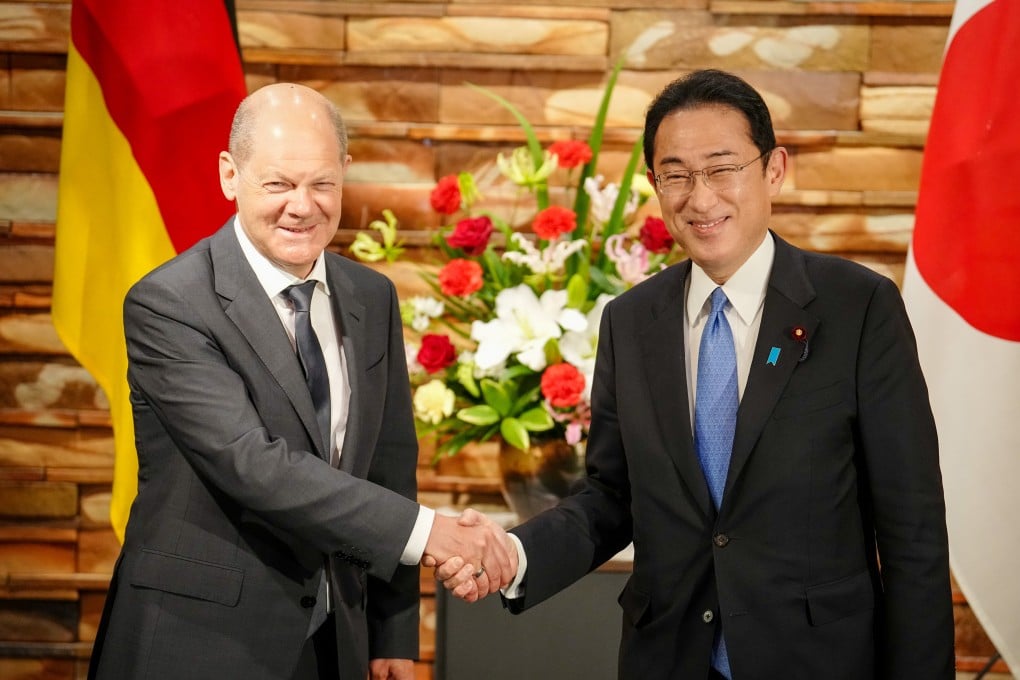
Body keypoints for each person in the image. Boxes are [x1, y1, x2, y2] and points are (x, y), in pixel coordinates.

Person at [438, 69, 955, 679]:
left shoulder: (857, 307)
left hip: (816, 660)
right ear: (655, 185)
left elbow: (912, 528)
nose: (700, 198)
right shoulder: (631, 321)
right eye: (676, 175)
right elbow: (612, 497)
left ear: (773, 170)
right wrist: (516, 552)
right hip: (669, 658)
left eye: (721, 168)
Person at [87, 83, 514, 680]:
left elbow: (389, 465)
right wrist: (432, 535)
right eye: (279, 184)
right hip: (198, 641)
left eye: (322, 184)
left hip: (336, 643)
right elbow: (251, 463)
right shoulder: (170, 303)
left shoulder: (370, 297)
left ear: (344, 174)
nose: (302, 206)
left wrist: (392, 632)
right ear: (229, 176)